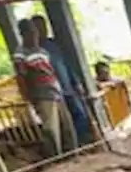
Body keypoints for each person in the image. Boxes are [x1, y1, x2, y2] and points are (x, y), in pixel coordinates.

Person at [13, 17, 75, 157]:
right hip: (41, 93)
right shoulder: (20, 54)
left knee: (66, 125)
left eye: (36, 32)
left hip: (55, 91)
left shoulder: (42, 51)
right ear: (24, 34)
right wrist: (28, 97)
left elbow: (50, 70)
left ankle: (72, 153)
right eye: (32, 33)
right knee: (51, 129)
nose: (35, 36)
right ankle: (56, 157)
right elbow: (21, 77)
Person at [32, 15, 91, 144]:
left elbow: (66, 63)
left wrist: (76, 81)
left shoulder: (53, 44)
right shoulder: (33, 50)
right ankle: (72, 146)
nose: (42, 30)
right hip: (52, 92)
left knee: (80, 114)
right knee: (63, 122)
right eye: (38, 27)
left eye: (43, 26)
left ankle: (82, 141)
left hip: (67, 86)